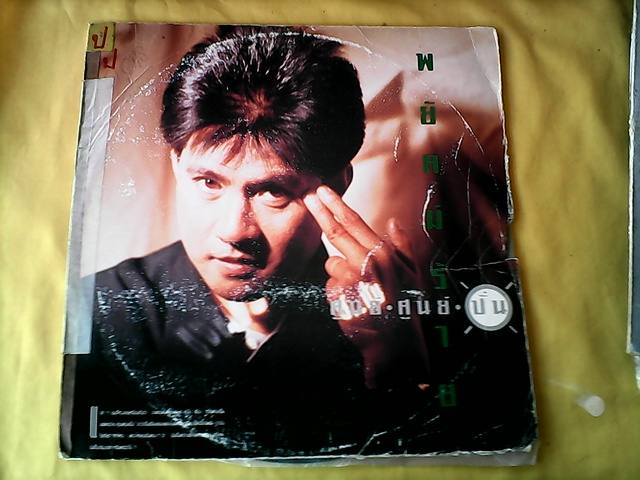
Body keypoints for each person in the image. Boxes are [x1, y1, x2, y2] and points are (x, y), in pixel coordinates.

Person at [73, 26, 430, 458]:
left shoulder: (392, 322)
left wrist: (395, 371)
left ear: (336, 186)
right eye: (208, 182)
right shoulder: (99, 312)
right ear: (177, 165)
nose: (234, 231)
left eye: (273, 191)